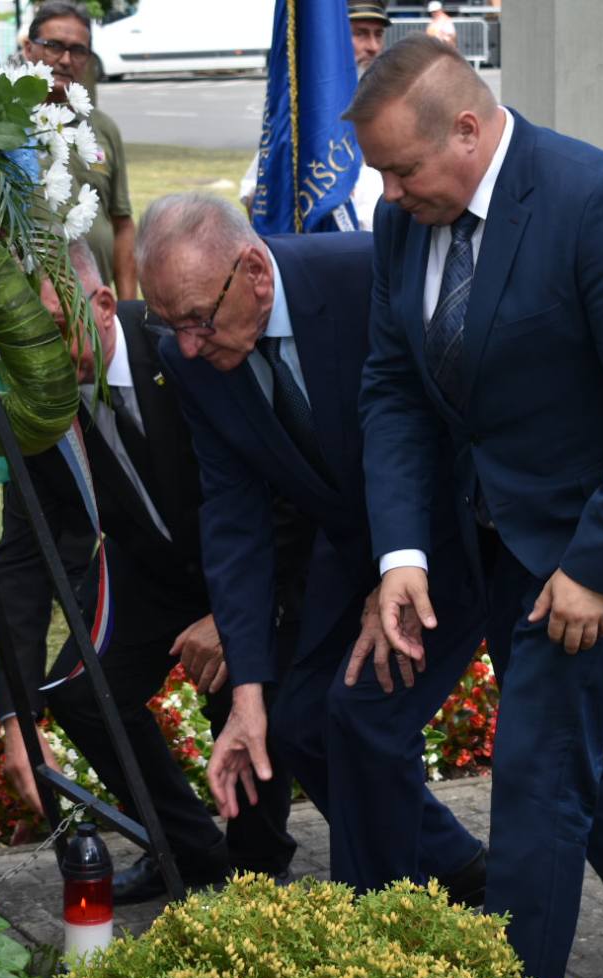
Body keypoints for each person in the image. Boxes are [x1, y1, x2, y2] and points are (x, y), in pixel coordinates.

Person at [349, 36, 603, 978]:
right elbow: (393, 389)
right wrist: (401, 552)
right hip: (508, 527)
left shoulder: (595, 201)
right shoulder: (404, 222)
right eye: (380, 174)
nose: (389, 194)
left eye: (402, 169)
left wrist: (597, 569)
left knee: (535, 764)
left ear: (468, 130)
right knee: (577, 744)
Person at [134, 192, 488, 907]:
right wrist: (247, 696)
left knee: (362, 717)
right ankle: (456, 866)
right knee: (295, 721)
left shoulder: (367, 274)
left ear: (254, 272)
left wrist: (398, 565)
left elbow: (450, 429)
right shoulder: (191, 356)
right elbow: (234, 518)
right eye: (170, 325)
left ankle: (378, 921)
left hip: (453, 532)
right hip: (351, 544)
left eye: (198, 319)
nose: (188, 346)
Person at [0, 240, 310, 901]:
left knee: (243, 682)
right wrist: (15, 717)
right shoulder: (38, 406)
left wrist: (236, 614)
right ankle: (188, 849)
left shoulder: (184, 342)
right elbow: (23, 557)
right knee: (83, 692)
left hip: (251, 560)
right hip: (151, 570)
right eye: (19, 340)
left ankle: (256, 865)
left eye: (54, 330)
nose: (38, 356)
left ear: (105, 304)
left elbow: (281, 485)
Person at [238, 0, 390, 231]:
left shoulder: (392, 108)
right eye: (360, 34)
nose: (373, 47)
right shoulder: (310, 115)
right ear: (332, 39)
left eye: (378, 35)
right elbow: (256, 196)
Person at [23, 1, 136, 298]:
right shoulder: (6, 124)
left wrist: (127, 308)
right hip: (26, 308)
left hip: (95, 307)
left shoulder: (103, 128)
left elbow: (122, 224)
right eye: (53, 46)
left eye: (78, 50)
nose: (65, 59)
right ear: (28, 49)